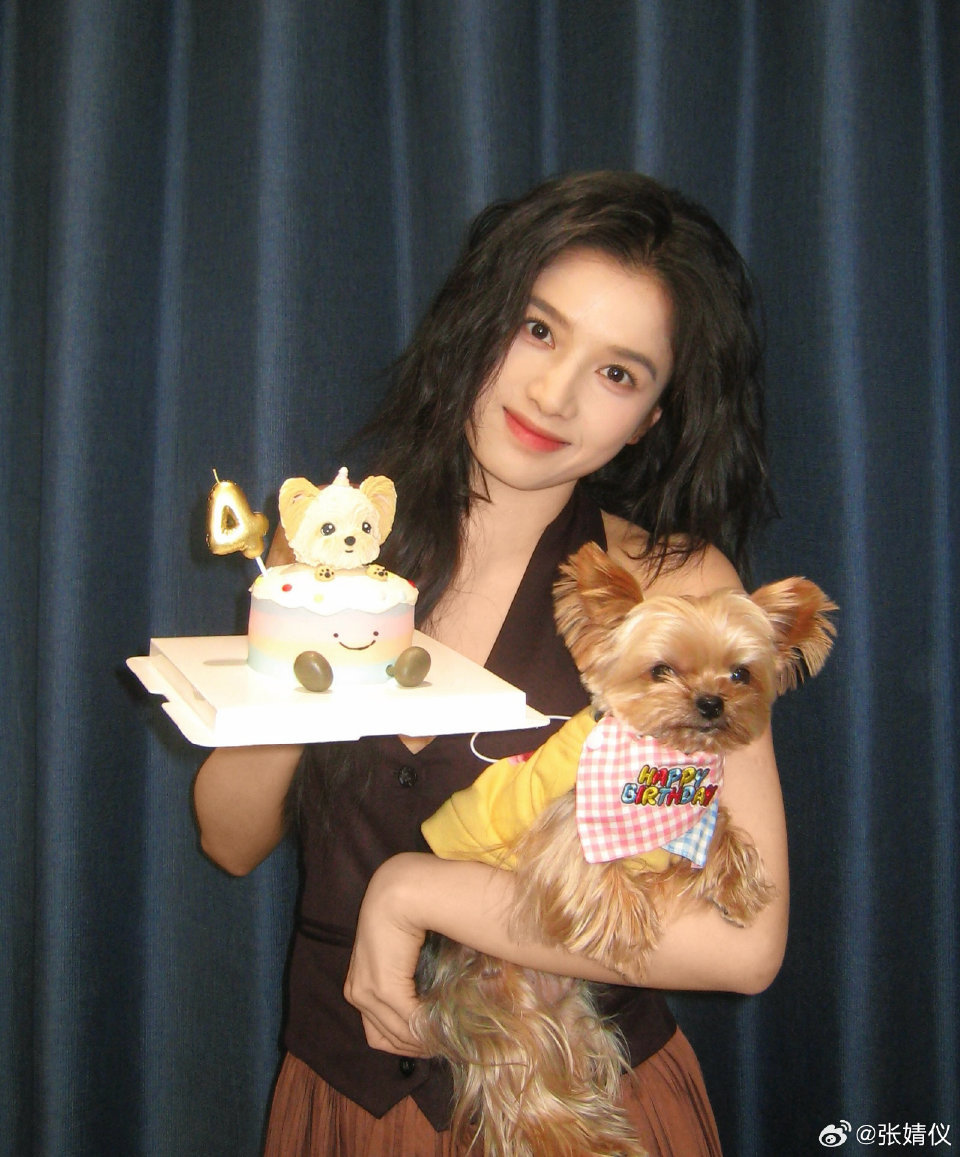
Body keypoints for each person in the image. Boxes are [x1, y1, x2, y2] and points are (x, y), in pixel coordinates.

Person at [194, 170, 785, 1156]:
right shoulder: (336, 544)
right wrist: (310, 645)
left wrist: (417, 891)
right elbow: (229, 838)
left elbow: (740, 941)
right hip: (346, 1107)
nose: (554, 393)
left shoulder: (671, 599)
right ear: (483, 317)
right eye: (539, 329)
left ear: (650, 417)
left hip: (581, 1110)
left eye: (619, 372)